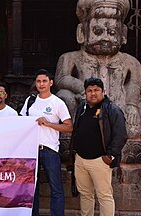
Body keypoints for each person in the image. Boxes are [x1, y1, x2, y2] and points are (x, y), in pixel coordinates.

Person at [54, 0, 141, 138]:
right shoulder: (70, 58)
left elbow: (134, 84)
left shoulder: (131, 62)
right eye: (98, 31)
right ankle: (71, 134)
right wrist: (83, 89)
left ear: (123, 34)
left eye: (112, 32)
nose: (105, 37)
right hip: (83, 105)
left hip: (119, 107)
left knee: (132, 131)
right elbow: (62, 79)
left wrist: (132, 105)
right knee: (64, 95)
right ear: (81, 32)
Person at [66, 77, 127, 216]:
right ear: (85, 93)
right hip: (81, 158)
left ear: (103, 92)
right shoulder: (82, 108)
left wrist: (110, 156)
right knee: (85, 194)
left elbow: (121, 135)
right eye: (89, 91)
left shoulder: (111, 109)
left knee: (104, 195)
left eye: (96, 90)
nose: (93, 93)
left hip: (100, 160)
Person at [19, 69, 73, 216]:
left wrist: (49, 124)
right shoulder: (30, 101)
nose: (41, 84)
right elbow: (21, 121)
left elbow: (69, 126)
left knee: (56, 189)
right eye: (38, 81)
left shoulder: (58, 103)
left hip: (50, 150)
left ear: (51, 82)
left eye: (44, 81)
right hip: (31, 150)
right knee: (31, 188)